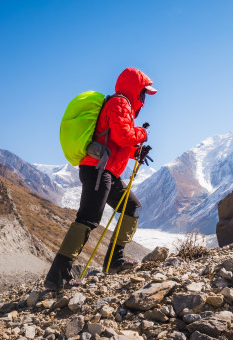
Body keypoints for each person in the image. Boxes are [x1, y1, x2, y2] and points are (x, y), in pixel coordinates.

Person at [44, 67, 156, 290]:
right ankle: (58, 276)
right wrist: (142, 134)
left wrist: (135, 152)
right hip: (98, 170)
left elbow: (114, 140)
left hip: (107, 171)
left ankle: (115, 261)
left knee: (131, 207)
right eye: (144, 92)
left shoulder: (121, 106)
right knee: (88, 219)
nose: (144, 99)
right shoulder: (120, 103)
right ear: (136, 90)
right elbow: (123, 136)